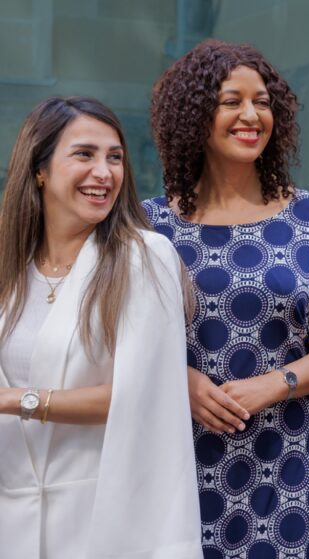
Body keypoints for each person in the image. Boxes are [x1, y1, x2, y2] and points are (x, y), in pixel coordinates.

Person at [145, 39, 309, 558]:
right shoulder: (151, 226)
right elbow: (117, 342)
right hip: (177, 464)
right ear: (194, 113)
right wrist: (178, 379)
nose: (251, 115)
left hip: (291, 468)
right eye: (232, 101)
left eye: (263, 102)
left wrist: (274, 385)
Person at [0, 96, 201, 558]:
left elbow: (144, 393)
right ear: (40, 168)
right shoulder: (9, 269)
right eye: (85, 154)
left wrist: (18, 401)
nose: (104, 173)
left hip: (103, 522)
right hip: (12, 521)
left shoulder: (143, 257)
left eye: (115, 157)